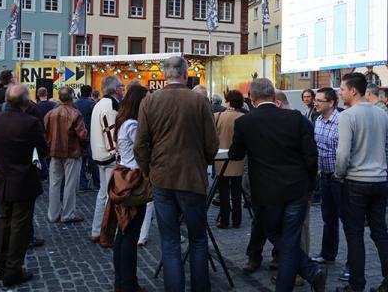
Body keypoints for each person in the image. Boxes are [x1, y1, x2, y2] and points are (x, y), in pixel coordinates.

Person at [229, 78, 327, 292]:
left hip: (266, 192)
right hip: (296, 188)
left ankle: (303, 277)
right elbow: (311, 156)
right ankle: (311, 272)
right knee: (289, 238)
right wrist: (310, 184)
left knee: (277, 234)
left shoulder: (245, 122)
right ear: (273, 97)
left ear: (252, 99)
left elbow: (236, 154)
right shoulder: (296, 118)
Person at [135, 56, 219, 292]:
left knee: (170, 242)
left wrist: (148, 171)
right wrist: (203, 162)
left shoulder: (150, 102)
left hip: (162, 177)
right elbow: (212, 143)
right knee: (198, 239)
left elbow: (140, 145)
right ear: (185, 74)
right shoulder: (199, 101)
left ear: (164, 75)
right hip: (192, 177)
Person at [334, 72, 388, 292]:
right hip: (379, 182)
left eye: (342, 89)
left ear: (353, 90)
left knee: (354, 235)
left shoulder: (347, 116)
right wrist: (382, 168)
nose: (340, 93)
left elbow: (342, 154)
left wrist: (339, 175)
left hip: (355, 182)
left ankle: (356, 285)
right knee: (380, 233)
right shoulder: (381, 114)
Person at [0, 84, 48, 287]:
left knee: (4, 221)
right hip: (22, 179)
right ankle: (12, 270)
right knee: (19, 227)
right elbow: (43, 149)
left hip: (2, 178)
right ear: (25, 101)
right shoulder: (30, 122)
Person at [112, 84, 149, 292]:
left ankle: (122, 282)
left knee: (124, 231)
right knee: (129, 233)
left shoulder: (124, 121)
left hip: (124, 175)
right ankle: (128, 283)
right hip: (133, 179)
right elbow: (142, 149)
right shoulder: (133, 124)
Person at [311, 88, 346, 270]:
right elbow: (318, 147)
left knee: (346, 220)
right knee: (328, 217)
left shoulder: (341, 121)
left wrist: (339, 173)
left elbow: (345, 151)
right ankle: (327, 254)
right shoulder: (317, 120)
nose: (315, 103)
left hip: (340, 178)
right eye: (315, 100)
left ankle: (351, 262)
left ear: (331, 103)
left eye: (319, 100)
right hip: (324, 176)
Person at [89, 76, 125, 243]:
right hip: (109, 156)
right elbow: (111, 133)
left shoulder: (99, 104)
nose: (123, 90)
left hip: (99, 154)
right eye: (122, 87)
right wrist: (117, 154)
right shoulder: (111, 105)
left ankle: (97, 230)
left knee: (103, 194)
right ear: (116, 89)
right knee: (112, 196)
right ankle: (107, 233)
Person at [45, 86, 88, 223]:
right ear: (71, 97)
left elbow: (45, 134)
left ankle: (53, 214)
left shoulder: (50, 114)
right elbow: (82, 135)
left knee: (54, 184)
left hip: (54, 152)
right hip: (71, 152)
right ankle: (68, 214)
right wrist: (85, 145)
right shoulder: (75, 113)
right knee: (70, 184)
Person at [213, 90, 245, 229]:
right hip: (238, 158)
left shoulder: (217, 116)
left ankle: (224, 220)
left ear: (228, 101)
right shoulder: (243, 117)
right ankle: (237, 220)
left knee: (224, 192)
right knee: (237, 191)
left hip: (221, 159)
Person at [74, 85, 99, 191]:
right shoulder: (92, 104)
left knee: (81, 161)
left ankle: (82, 184)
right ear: (90, 93)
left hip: (78, 136)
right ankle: (97, 183)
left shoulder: (75, 104)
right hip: (90, 135)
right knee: (93, 161)